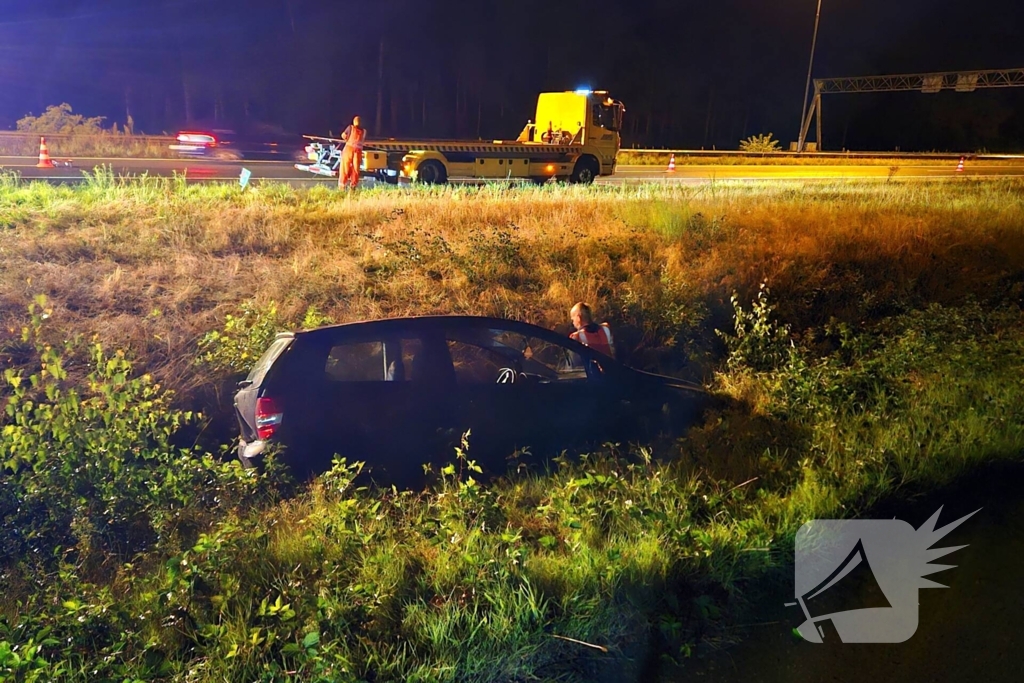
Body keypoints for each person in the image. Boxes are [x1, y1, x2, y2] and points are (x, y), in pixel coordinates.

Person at [338, 115, 366, 190]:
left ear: (354, 122)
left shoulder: (350, 128)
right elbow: (362, 141)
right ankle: (353, 187)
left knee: (345, 167)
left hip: (349, 150)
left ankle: (342, 186)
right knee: (355, 169)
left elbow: (343, 135)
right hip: (358, 152)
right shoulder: (364, 131)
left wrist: (346, 138)